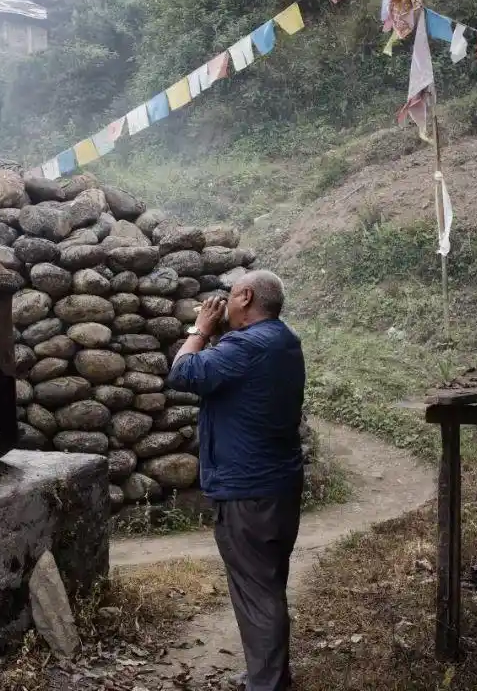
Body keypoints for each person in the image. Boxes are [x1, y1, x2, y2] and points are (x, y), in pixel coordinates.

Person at [166, 270, 306, 691]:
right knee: (267, 584)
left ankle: (268, 685)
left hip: (248, 492)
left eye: (230, 295)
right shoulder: (284, 340)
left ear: (244, 297)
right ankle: (270, 674)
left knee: (256, 593)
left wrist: (200, 329)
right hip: (279, 485)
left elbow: (183, 373)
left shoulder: (245, 347)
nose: (224, 302)